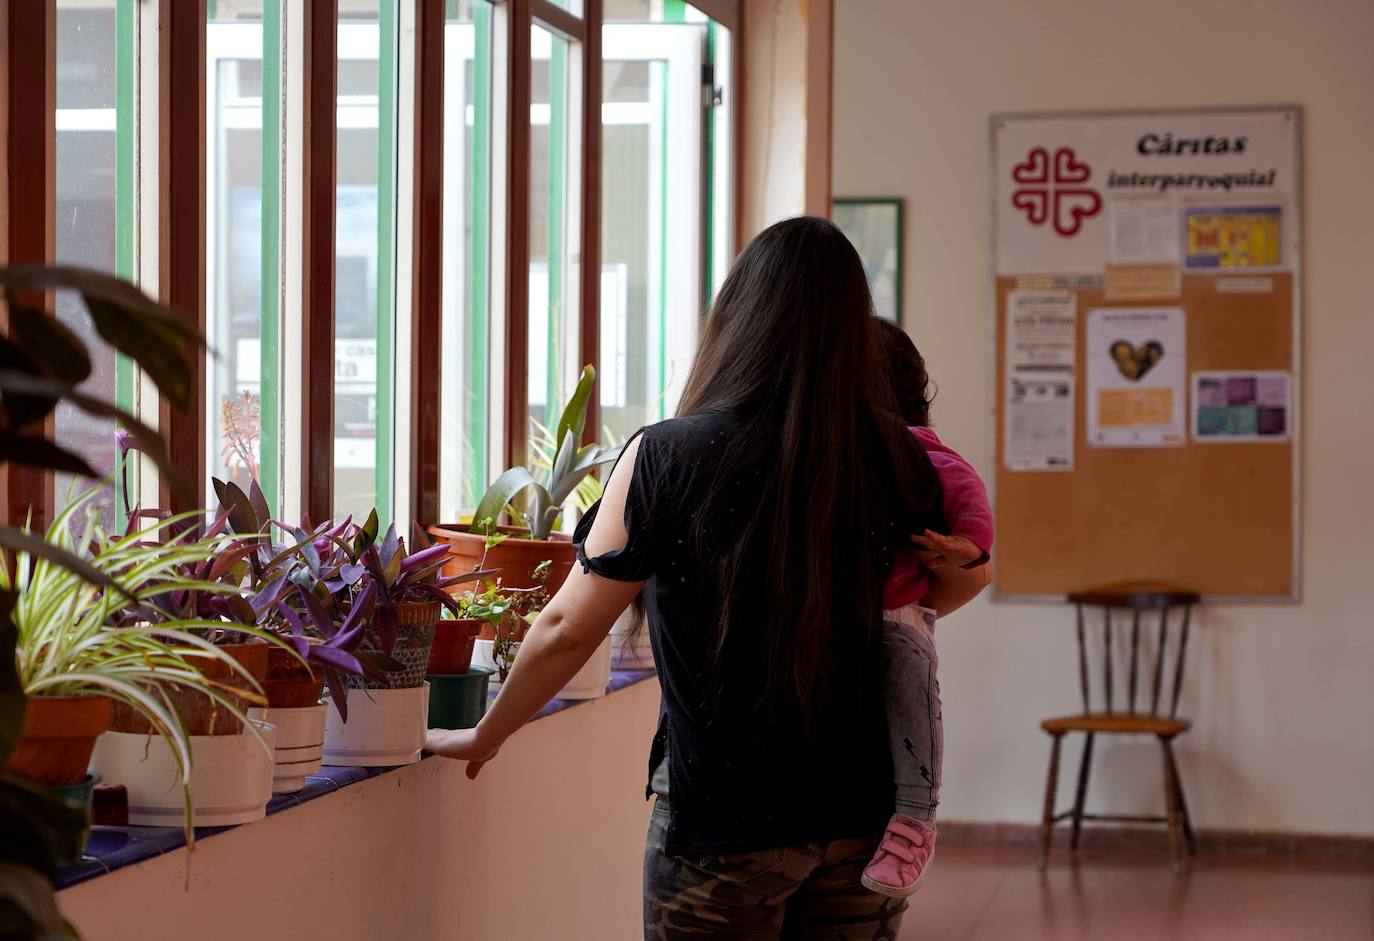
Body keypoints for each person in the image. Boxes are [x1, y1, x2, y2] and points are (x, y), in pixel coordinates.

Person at [426, 217, 992, 938]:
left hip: (720, 830)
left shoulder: (665, 455)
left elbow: (570, 626)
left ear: (736, 317)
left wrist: (486, 732)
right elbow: (940, 589)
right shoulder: (899, 459)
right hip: (863, 826)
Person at [860, 319, 995, 898]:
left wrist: (970, 542)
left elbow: (963, 486)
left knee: (909, 668)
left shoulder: (908, 444)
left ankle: (916, 818)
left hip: (897, 615)